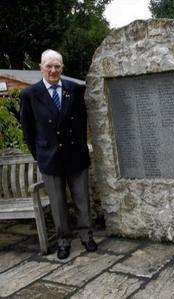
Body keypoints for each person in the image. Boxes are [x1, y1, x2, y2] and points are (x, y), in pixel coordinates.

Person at [20, 49, 97, 259]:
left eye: (57, 66)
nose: (53, 70)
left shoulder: (74, 89)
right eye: (49, 66)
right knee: (58, 203)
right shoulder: (29, 94)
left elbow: (82, 122)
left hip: (75, 155)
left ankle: (86, 236)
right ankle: (63, 241)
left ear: (62, 68)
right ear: (41, 68)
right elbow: (28, 130)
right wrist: (40, 155)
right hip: (50, 158)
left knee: (82, 200)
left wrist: (81, 145)